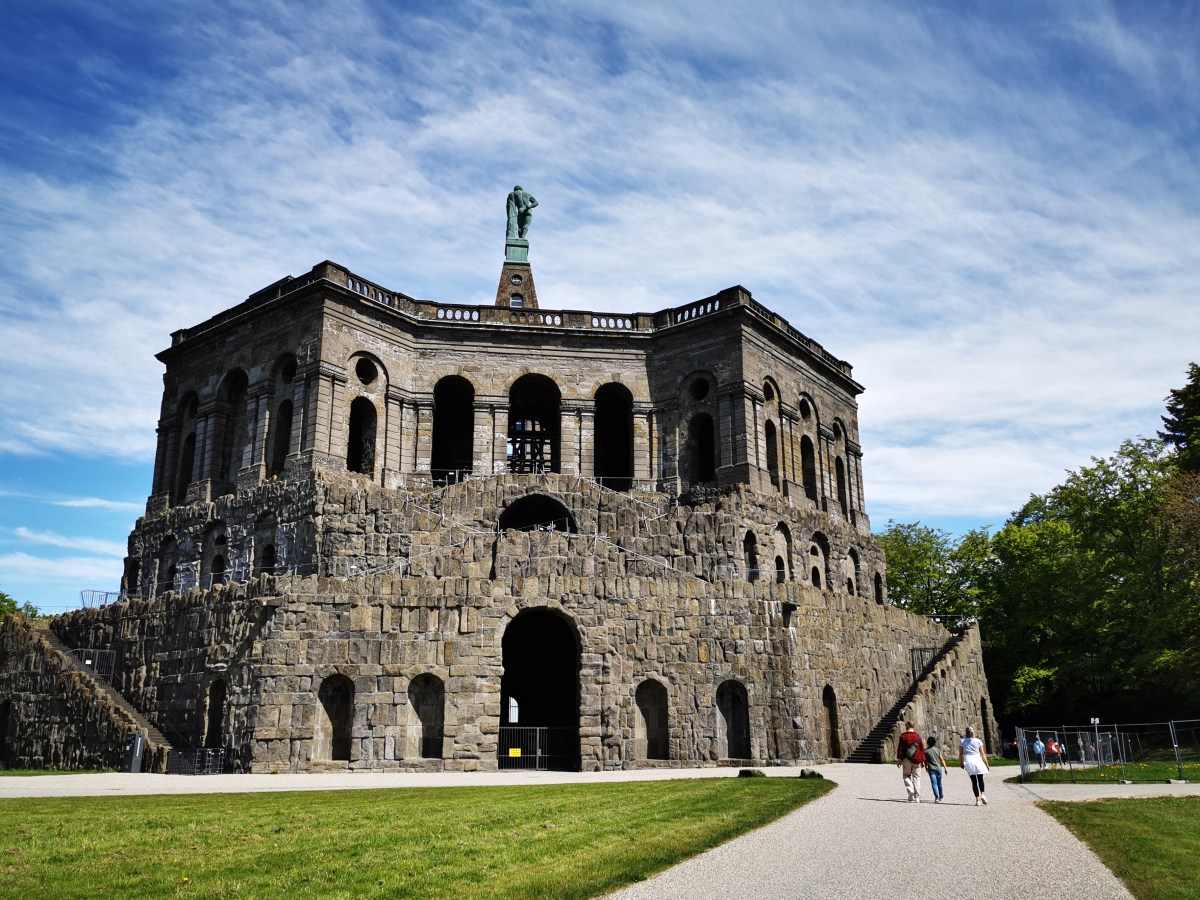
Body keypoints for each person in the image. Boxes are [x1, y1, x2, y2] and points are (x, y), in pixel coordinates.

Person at [959, 725, 990, 806]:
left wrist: (961, 763)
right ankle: (983, 794)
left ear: (966, 732)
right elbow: (982, 754)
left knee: (973, 781)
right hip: (978, 760)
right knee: (980, 779)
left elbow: (961, 754)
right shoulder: (978, 741)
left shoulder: (962, 741)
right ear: (973, 732)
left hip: (968, 761)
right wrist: (986, 763)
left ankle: (977, 800)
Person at [896, 720, 926, 802]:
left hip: (906, 759)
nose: (905, 726)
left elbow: (900, 749)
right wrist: (923, 760)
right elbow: (922, 749)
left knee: (906, 775)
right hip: (917, 759)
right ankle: (917, 797)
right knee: (917, 777)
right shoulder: (918, 737)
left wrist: (899, 759)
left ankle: (911, 790)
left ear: (908, 725)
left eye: (906, 725)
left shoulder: (903, 736)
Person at [925, 734, 948, 803]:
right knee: (939, 783)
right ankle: (941, 796)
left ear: (928, 743)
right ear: (934, 743)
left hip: (931, 769)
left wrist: (926, 767)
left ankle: (936, 797)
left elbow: (925, 761)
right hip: (938, 769)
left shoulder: (926, 751)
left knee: (934, 783)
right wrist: (945, 768)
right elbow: (942, 759)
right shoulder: (937, 750)